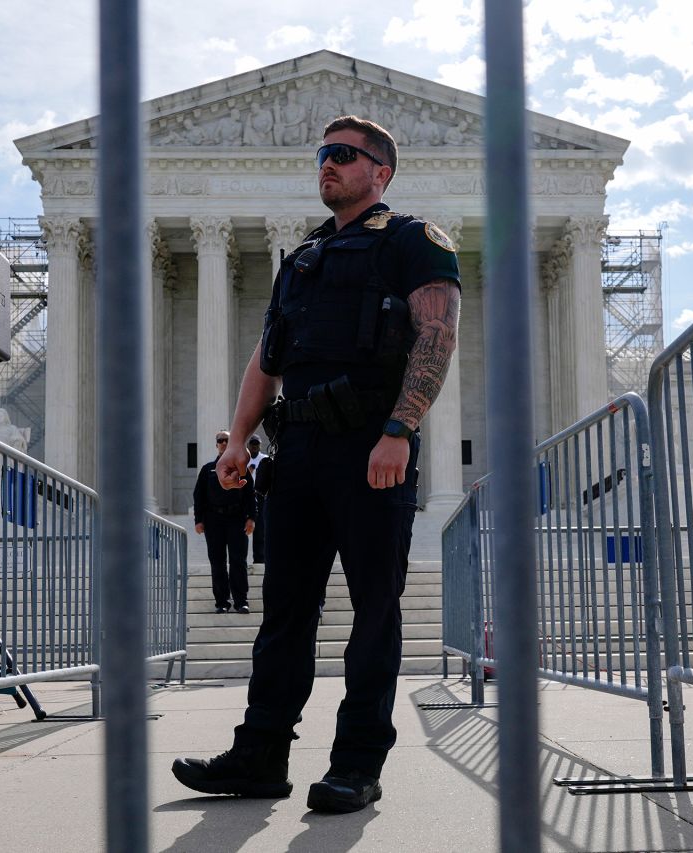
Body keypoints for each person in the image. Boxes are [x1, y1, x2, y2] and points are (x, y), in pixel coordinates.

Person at [172, 115, 461, 813]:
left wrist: (400, 428)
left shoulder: (411, 241)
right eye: (322, 155)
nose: (326, 165)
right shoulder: (300, 260)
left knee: (373, 611)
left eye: (342, 154)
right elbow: (265, 358)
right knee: (284, 614)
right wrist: (238, 441)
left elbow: (438, 334)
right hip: (296, 452)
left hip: (370, 448)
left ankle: (357, 762)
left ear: (380, 171)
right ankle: (261, 752)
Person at [193, 430, 256, 614]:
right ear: (216, 445)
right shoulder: (207, 470)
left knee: (238, 561)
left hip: (236, 519)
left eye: (226, 440)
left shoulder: (241, 469)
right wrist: (199, 520)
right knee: (217, 562)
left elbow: (250, 495)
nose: (223, 443)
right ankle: (221, 602)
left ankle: (241, 601)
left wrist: (251, 518)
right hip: (214, 520)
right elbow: (199, 497)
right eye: (220, 441)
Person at [246, 435, 268, 563]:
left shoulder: (265, 459)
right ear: (248, 445)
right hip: (246, 496)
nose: (254, 446)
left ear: (260, 445)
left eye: (256, 444)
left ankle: (260, 559)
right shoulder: (243, 460)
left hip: (261, 496)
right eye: (252, 444)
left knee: (260, 530)